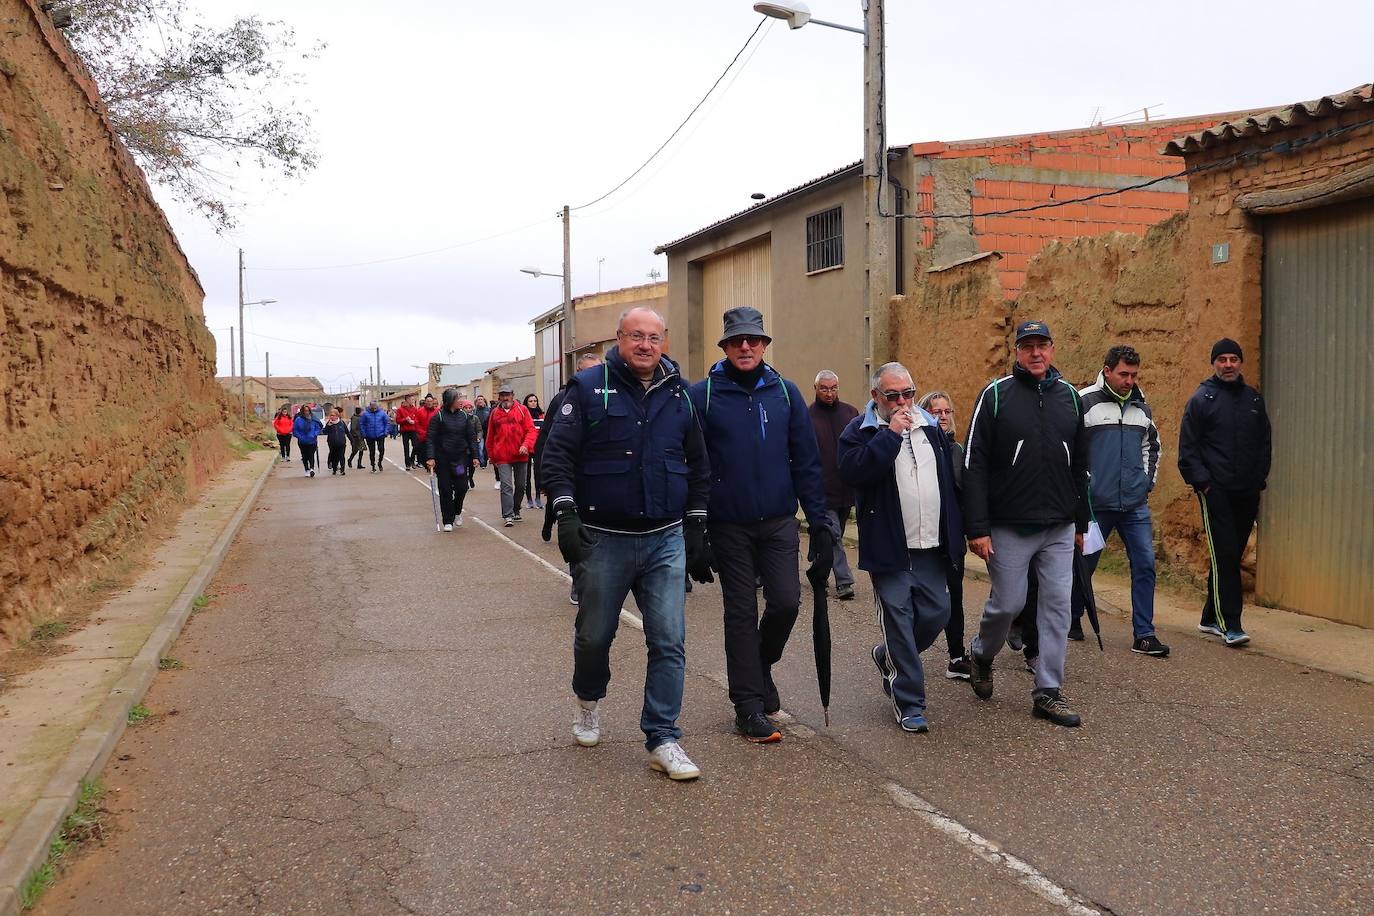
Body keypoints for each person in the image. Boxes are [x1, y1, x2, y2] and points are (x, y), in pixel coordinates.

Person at [540, 306, 710, 781]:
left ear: (664, 343)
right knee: (595, 636)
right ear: (619, 338)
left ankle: (663, 737)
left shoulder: (680, 394)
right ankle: (588, 701)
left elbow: (698, 463)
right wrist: (566, 511)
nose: (645, 345)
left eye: (654, 338)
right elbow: (557, 455)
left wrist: (697, 523)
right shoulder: (589, 389)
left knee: (669, 640)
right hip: (603, 539)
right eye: (636, 336)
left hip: (664, 539)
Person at [688, 306, 834, 744]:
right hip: (727, 524)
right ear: (726, 347)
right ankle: (748, 706)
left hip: (777, 521)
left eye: (753, 340)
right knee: (739, 612)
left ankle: (760, 663)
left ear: (765, 345)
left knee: (787, 603)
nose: (746, 347)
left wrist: (822, 522)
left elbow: (807, 463)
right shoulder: (703, 396)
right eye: (737, 341)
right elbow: (692, 464)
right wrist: (693, 527)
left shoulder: (785, 393)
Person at [962, 320, 1090, 728]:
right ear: (1016, 352)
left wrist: (1081, 522)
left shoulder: (1070, 397)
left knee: (1057, 608)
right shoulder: (996, 395)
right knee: (1009, 603)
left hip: (1057, 526)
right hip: (1008, 525)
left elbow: (1081, 467)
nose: (1036, 353)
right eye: (1028, 346)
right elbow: (974, 464)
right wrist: (976, 527)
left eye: (1043, 345)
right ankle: (982, 653)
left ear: (1053, 350)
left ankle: (1047, 692)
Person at [840, 364, 962, 732]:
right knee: (899, 622)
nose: (902, 402)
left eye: (907, 393)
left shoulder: (931, 428)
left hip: (931, 546)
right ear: (876, 396)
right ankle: (910, 702)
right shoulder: (860, 430)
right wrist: (890, 434)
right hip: (891, 549)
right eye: (893, 396)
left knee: (938, 614)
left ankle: (890, 656)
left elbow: (948, 482)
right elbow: (854, 473)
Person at [1178, 338, 1271, 647]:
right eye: (1222, 359)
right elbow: (1188, 451)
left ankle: (1208, 617)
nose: (1228, 364)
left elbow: (1264, 443)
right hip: (1215, 491)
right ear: (1214, 364)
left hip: (1247, 492)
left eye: (1233, 359)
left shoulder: (1253, 400)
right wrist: (1204, 484)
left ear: (1240, 362)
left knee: (1230, 554)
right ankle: (1230, 623)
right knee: (1225, 554)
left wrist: (1259, 479)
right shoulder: (1201, 399)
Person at [1078, 345, 1169, 657]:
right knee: (1083, 565)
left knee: (1144, 563)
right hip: (1095, 505)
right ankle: (1073, 615)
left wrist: (1146, 483)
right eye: (1123, 374)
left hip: (1134, 505)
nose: (1129, 381)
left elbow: (1152, 446)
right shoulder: (1085, 402)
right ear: (1107, 371)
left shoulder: (1141, 409)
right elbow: (1071, 449)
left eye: (1133, 375)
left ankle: (1144, 634)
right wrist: (1083, 486)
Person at [536, 352, 605, 605]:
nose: (592, 377)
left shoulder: (610, 397)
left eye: (596, 371)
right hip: (571, 476)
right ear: (577, 372)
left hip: (600, 477)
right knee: (577, 531)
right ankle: (578, 580)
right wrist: (545, 478)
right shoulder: (562, 399)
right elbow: (547, 440)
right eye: (587, 372)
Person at [918, 390, 972, 680]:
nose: (942, 416)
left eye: (946, 411)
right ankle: (904, 653)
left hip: (951, 537)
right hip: (923, 536)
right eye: (935, 411)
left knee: (955, 597)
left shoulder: (958, 451)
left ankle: (956, 657)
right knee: (923, 601)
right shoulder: (917, 449)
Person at [809, 370, 861, 601]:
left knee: (829, 535)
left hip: (846, 487)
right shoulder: (807, 417)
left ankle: (816, 562)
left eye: (833, 388)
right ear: (816, 389)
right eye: (824, 388)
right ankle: (844, 581)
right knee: (836, 536)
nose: (829, 393)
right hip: (821, 489)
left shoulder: (850, 413)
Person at [425, 389, 481, 531]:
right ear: (450, 401)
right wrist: (431, 457)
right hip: (443, 460)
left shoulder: (464, 416)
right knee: (445, 490)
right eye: (458, 398)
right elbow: (430, 439)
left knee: (462, 487)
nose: (461, 401)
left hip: (460, 459)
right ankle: (448, 520)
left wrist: (475, 456)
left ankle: (457, 511)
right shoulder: (438, 417)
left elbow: (471, 437)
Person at [486, 384, 536, 526]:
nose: (505, 397)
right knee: (506, 486)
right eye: (502, 395)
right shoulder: (495, 413)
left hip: (521, 454)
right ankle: (507, 515)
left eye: (507, 394)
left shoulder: (522, 410)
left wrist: (525, 445)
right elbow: (490, 435)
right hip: (502, 456)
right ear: (499, 397)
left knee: (521, 485)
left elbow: (531, 430)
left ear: (512, 395)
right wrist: (491, 455)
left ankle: (516, 509)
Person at [522, 394, 545, 510]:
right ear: (526, 403)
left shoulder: (541, 415)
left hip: (538, 448)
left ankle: (538, 498)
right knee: (527, 475)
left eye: (535, 401)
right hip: (526, 448)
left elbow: (544, 431)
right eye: (530, 401)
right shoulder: (523, 414)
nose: (533, 403)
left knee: (538, 473)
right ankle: (529, 499)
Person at [358, 400, 390, 471]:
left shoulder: (382, 413)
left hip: (380, 434)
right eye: (372, 407)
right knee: (372, 451)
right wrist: (364, 433)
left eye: (375, 407)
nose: (374, 409)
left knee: (381, 449)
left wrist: (386, 432)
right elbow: (361, 424)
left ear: (377, 406)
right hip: (369, 435)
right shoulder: (365, 414)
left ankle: (380, 462)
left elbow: (387, 422)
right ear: (370, 406)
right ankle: (373, 465)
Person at [292, 405, 322, 478]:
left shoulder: (314, 419)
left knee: (311, 455)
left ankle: (312, 469)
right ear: (302, 411)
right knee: (305, 456)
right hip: (302, 441)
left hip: (312, 441)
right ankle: (307, 469)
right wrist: (300, 437)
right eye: (305, 411)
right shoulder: (298, 419)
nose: (306, 412)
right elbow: (295, 430)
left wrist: (315, 434)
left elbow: (318, 428)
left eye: (308, 410)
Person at [396, 395, 422, 470]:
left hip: (413, 430)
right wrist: (405, 419)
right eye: (411, 399)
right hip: (405, 431)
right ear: (407, 400)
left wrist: (414, 421)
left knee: (416, 445)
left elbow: (418, 419)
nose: (413, 401)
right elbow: (398, 421)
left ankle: (412, 460)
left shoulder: (415, 409)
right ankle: (407, 464)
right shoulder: (400, 409)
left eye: (413, 399)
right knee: (406, 448)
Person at [323, 407, 349, 476]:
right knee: (334, 457)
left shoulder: (342, 423)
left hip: (341, 443)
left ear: (337, 416)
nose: (331, 416)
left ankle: (342, 470)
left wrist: (352, 441)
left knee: (341, 456)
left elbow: (347, 432)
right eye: (330, 415)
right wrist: (328, 426)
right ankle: (334, 469)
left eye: (333, 415)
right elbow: (324, 432)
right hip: (332, 444)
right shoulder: (329, 423)